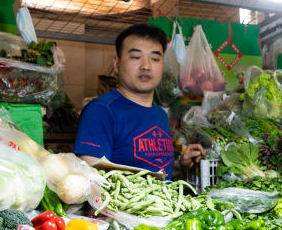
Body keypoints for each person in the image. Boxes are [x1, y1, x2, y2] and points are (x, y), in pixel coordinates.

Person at [75, 24, 205, 175]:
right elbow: (91, 179)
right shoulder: (101, 111)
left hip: (161, 198)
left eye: (155, 58)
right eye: (136, 57)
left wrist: (180, 164)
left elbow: (157, 171)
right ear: (116, 64)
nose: (146, 66)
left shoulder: (160, 114)